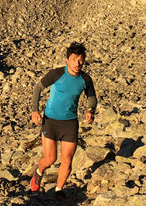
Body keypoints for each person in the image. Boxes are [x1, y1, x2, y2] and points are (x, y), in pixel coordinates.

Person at [29, 42, 97, 199]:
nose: (77, 63)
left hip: (70, 123)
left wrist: (90, 110)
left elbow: (92, 98)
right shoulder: (56, 73)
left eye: (81, 60)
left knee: (67, 159)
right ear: (67, 60)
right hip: (51, 121)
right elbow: (37, 88)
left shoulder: (85, 79)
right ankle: (38, 173)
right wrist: (34, 110)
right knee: (50, 159)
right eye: (74, 59)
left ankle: (59, 190)